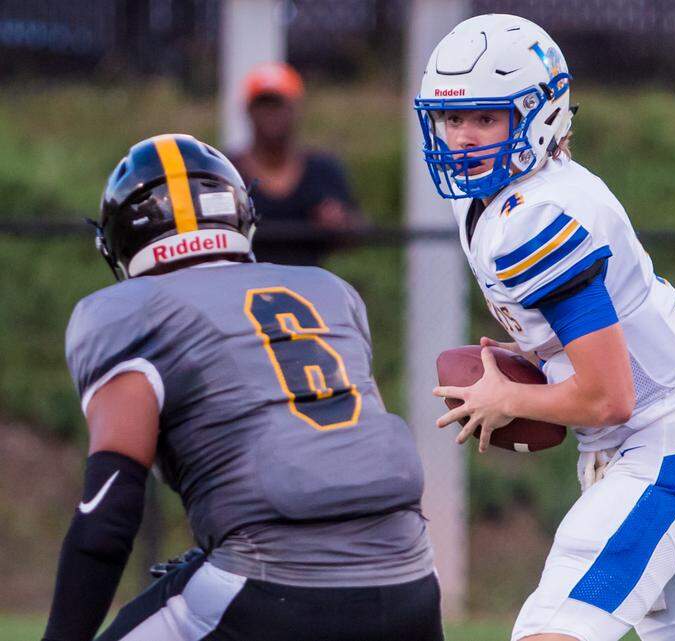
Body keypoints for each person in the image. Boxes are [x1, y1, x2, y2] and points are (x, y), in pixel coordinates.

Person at [415, 14, 675, 641]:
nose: (461, 137)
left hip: (658, 451)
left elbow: (608, 396)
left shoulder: (537, 215)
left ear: (540, 114)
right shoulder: (500, 202)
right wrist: (537, 353)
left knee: (551, 633)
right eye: (452, 118)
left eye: (486, 117)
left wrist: (505, 396)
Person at [41, 134, 442, 641]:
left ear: (118, 242)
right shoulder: (328, 292)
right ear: (240, 215)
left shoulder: (125, 313)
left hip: (269, 588)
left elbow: (109, 516)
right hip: (413, 587)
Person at [230, 62, 361, 266]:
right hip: (242, 291)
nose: (271, 114)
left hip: (309, 291)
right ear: (249, 110)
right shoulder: (229, 171)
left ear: (296, 109)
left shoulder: (322, 170)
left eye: (279, 104)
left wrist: (339, 224)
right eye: (264, 104)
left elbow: (356, 232)